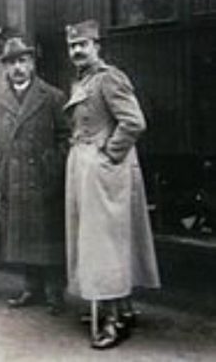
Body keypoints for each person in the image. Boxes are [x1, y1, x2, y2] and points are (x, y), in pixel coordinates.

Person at [64, 20, 160, 349]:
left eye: (83, 45)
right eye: (72, 46)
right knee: (93, 241)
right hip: (84, 168)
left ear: (97, 46)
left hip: (103, 171)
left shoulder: (109, 78)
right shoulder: (83, 81)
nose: (77, 51)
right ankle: (118, 308)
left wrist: (108, 153)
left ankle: (113, 319)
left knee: (105, 243)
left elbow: (134, 121)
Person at [0, 38, 69, 315]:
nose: (17, 68)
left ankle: (55, 291)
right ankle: (31, 287)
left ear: (32, 64)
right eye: (11, 63)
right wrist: (1, 168)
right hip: (14, 178)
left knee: (48, 236)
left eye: (22, 61)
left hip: (44, 178)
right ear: (5, 68)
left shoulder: (52, 96)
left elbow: (66, 137)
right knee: (24, 237)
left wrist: (53, 166)